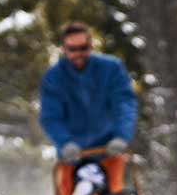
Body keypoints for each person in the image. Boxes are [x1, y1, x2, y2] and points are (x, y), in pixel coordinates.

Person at [39, 21, 138, 165]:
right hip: (70, 154)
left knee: (116, 186)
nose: (78, 53)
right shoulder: (53, 77)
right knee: (67, 185)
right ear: (64, 50)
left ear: (91, 46)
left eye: (83, 48)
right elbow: (51, 117)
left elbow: (124, 104)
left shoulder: (112, 68)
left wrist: (121, 136)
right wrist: (65, 142)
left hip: (108, 150)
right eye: (72, 49)